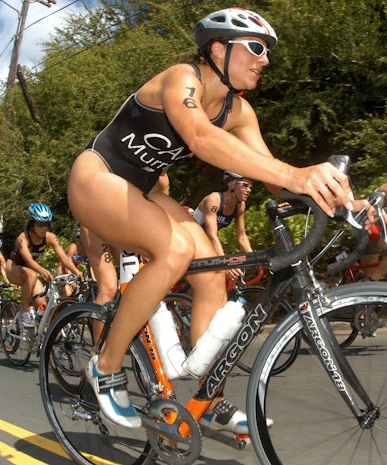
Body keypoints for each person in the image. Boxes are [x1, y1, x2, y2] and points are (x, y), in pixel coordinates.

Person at [67, 7, 354, 432]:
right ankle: (105, 365)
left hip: (143, 189)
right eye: (256, 48)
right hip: (97, 176)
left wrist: (340, 198)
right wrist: (294, 175)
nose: (265, 59)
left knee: (212, 273)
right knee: (176, 249)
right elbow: (200, 137)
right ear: (219, 49)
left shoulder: (241, 112)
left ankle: (208, 396)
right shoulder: (182, 78)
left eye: (267, 51)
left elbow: (272, 175)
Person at [6, 203, 82, 327]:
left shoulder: (50, 238)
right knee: (32, 275)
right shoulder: (22, 239)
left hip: (30, 273)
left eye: (46, 224)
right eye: (40, 224)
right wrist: (43, 271)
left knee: (42, 306)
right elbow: (29, 261)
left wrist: (77, 272)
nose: (44, 228)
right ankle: (24, 312)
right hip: (13, 268)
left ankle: (37, 334)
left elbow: (64, 258)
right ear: (32, 224)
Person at [193, 171, 254, 281]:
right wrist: (225, 262)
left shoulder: (240, 206)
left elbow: (241, 236)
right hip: (191, 239)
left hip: (205, 243)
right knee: (212, 276)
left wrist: (255, 258)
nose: (249, 190)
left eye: (250, 187)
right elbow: (212, 235)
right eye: (245, 185)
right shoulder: (213, 200)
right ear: (231, 184)